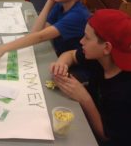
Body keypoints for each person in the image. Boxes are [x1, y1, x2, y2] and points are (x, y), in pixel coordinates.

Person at [50, 9, 131, 146]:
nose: (81, 41)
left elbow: (106, 137)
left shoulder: (123, 91)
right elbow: (70, 55)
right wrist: (61, 64)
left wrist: (84, 98)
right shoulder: (99, 57)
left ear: (106, 48)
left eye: (87, 38)